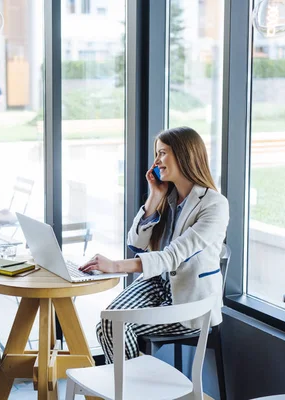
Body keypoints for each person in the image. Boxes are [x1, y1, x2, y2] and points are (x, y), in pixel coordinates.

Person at [79, 126, 229, 364]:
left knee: (109, 326)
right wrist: (155, 196)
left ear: (185, 155)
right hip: (158, 285)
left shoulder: (214, 205)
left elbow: (173, 256)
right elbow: (136, 244)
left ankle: (125, 390)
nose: (156, 160)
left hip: (192, 302)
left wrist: (115, 266)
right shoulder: (167, 197)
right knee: (109, 322)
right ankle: (129, 390)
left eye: (162, 153)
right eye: (156, 153)